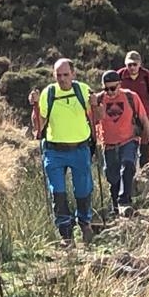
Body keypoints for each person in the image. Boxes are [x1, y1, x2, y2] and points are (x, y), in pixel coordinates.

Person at [30, 58, 96, 246]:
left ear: (73, 74)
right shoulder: (48, 93)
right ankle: (66, 233)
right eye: (58, 75)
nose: (62, 79)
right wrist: (34, 108)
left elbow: (98, 117)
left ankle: (85, 223)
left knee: (83, 190)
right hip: (53, 150)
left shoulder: (82, 90)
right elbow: (39, 125)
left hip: (80, 148)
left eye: (66, 75)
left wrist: (96, 103)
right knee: (57, 192)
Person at [92, 70, 149, 218]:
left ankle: (124, 201)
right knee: (112, 177)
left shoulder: (130, 97)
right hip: (108, 144)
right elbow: (92, 122)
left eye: (113, 88)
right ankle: (116, 209)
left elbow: (144, 119)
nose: (110, 92)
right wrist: (95, 108)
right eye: (106, 88)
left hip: (129, 140)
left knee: (128, 166)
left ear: (119, 85)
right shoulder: (99, 100)